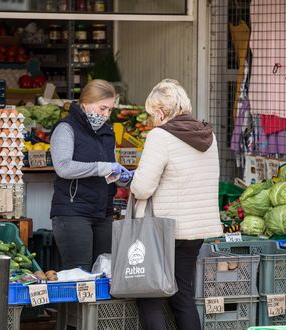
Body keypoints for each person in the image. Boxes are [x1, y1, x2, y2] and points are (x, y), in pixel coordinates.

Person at [130, 79, 223, 330]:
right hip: (195, 230)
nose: (151, 120)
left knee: (150, 296)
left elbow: (142, 187)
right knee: (183, 295)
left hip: (163, 229)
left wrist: (131, 183)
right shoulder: (208, 135)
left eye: (152, 114)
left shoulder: (160, 136)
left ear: (161, 112)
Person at [50, 79, 131, 272]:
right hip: (73, 213)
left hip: (103, 212)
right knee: (79, 275)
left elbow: (107, 171)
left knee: (104, 271)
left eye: (110, 110)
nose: (105, 114)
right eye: (102, 108)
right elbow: (63, 167)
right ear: (85, 102)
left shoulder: (107, 132)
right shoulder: (65, 129)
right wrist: (102, 167)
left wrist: (123, 178)